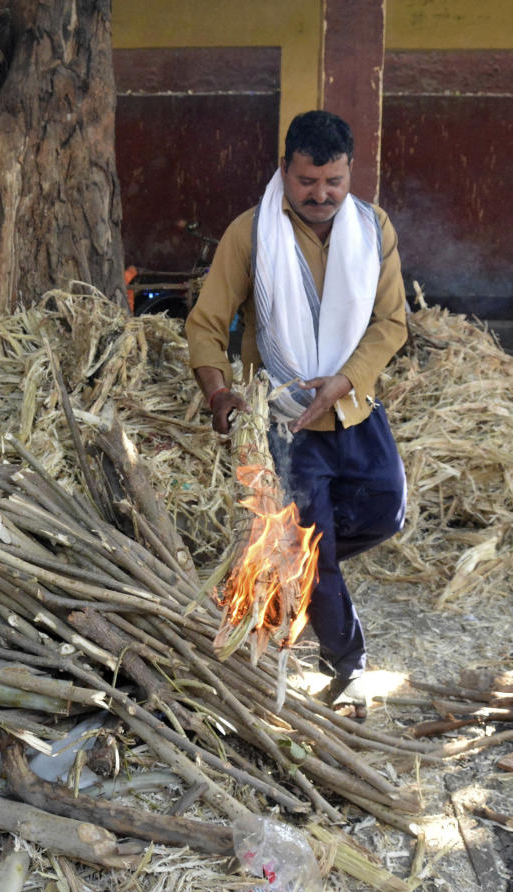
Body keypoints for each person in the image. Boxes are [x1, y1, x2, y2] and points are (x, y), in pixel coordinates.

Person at [185, 110, 408, 718]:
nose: (322, 195)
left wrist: (344, 381)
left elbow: (391, 322)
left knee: (388, 513)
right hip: (287, 422)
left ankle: (292, 569)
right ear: (285, 169)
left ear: (350, 172)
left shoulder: (372, 226)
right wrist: (218, 393)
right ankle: (349, 668)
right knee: (319, 550)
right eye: (308, 181)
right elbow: (206, 325)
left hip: (354, 404)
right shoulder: (251, 233)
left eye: (334, 181)